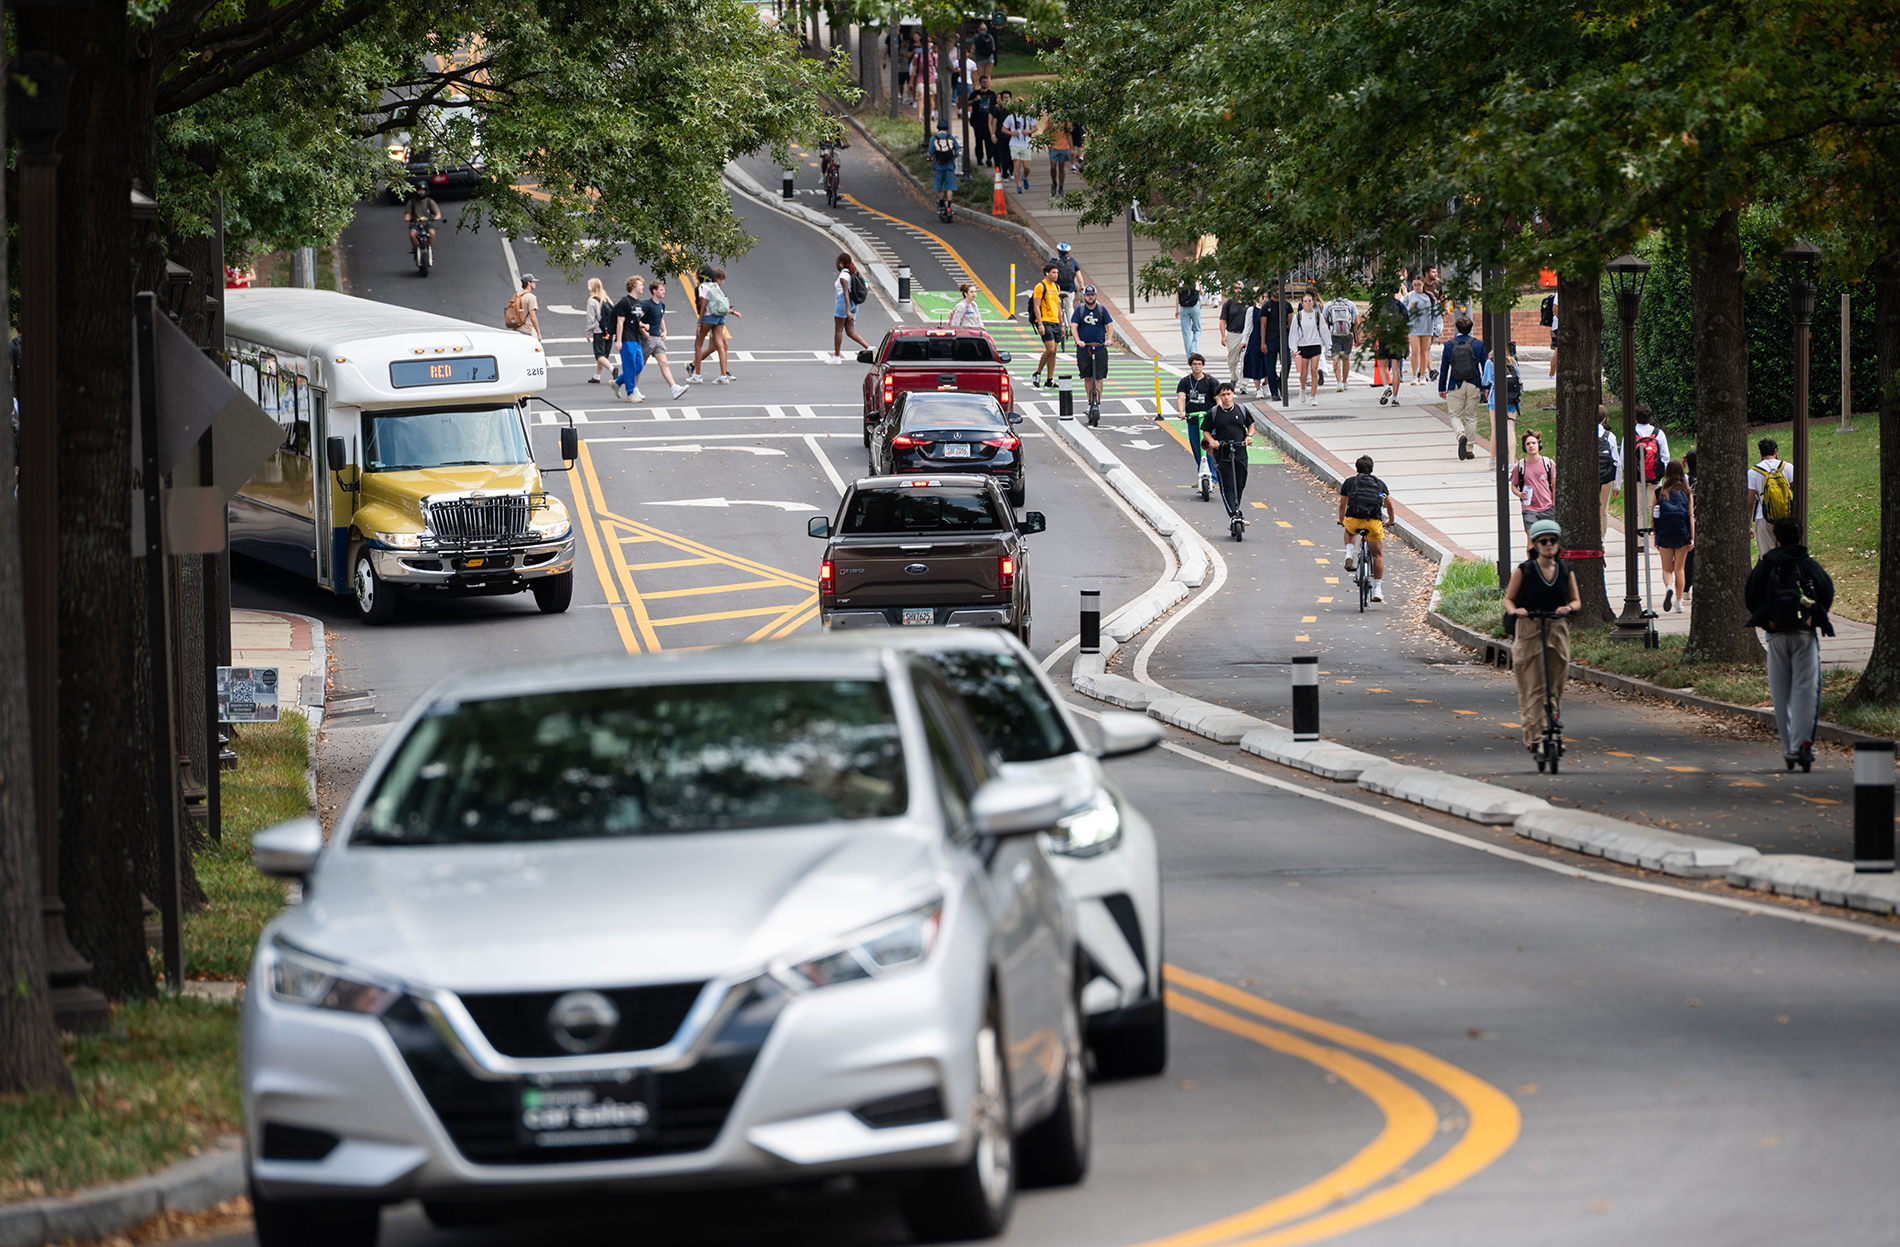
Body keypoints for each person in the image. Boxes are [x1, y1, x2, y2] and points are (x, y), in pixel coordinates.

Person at [1745, 519, 1836, 771]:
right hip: (1804, 635)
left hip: (1775, 637)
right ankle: (1803, 744)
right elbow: (1826, 591)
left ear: (1776, 538)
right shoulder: (1807, 564)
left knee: (1781, 693)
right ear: (1800, 537)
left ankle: (1789, 749)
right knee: (1805, 689)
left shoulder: (1766, 565)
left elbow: (1751, 596)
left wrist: (1768, 620)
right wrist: (1813, 617)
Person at [1504, 519, 1582, 760]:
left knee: (1556, 685)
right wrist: (1516, 611)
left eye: (1553, 541)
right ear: (1535, 545)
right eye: (1544, 541)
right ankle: (1535, 736)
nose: (1549, 545)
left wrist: (1568, 608)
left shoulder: (1566, 570)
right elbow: (1509, 599)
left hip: (1556, 629)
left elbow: (1576, 600)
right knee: (1534, 686)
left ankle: (1552, 728)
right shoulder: (1525, 570)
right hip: (1529, 630)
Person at [1337, 454, 1395, 603]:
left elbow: (1342, 505)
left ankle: (1349, 552)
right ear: (1372, 469)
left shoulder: (1349, 483)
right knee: (1377, 556)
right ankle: (1377, 589)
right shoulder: (1379, 484)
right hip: (1373, 523)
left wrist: (1341, 520)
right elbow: (1390, 506)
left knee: (1349, 530)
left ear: (1356, 469)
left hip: (1354, 521)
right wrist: (1391, 521)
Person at [1201, 381, 1255, 526]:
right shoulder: (1214, 413)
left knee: (1240, 482)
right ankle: (1235, 514)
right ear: (1219, 396)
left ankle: (1236, 508)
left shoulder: (1241, 410)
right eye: (1223, 395)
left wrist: (1249, 436)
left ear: (1233, 395)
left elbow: (1250, 425)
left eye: (1228, 394)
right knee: (1227, 485)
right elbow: (1205, 430)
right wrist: (1212, 441)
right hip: (1223, 453)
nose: (1226, 397)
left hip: (1240, 450)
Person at [1166, 351, 1221, 493]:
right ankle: (1201, 475)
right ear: (1190, 366)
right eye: (1194, 364)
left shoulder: (1210, 381)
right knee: (1197, 449)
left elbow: (1218, 399)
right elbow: (1181, 398)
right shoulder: (1185, 382)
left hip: (1209, 421)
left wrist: (1219, 411)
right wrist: (1181, 412)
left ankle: (1213, 478)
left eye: (1199, 364)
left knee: (1209, 449)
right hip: (1193, 420)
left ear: (1203, 365)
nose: (1197, 367)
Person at [1436, 315, 1489, 459]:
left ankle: (1460, 436)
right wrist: (1487, 387)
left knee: (1455, 415)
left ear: (1457, 328)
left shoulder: (1449, 345)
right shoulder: (1478, 344)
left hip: (1455, 384)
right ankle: (1469, 448)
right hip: (1473, 384)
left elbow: (1444, 369)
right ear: (1471, 328)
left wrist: (1442, 388)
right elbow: (1485, 367)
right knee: (1471, 417)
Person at [1070, 284, 1116, 424]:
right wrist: (1078, 341)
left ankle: (1098, 404)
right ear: (1084, 296)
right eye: (1088, 295)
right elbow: (1074, 326)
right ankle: (1090, 402)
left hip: (1100, 347)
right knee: (1088, 377)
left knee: (1099, 377)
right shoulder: (1080, 310)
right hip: (1085, 349)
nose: (1090, 297)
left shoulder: (1102, 310)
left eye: (1092, 295)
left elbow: (1110, 325)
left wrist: (1108, 340)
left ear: (1095, 296)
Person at [1652, 459, 1694, 613]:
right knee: (1680, 569)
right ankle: (1678, 602)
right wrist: (1692, 538)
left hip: (1664, 533)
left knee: (1667, 569)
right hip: (1682, 533)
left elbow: (1654, 513)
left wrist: (1655, 534)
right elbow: (1690, 516)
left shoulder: (1659, 491)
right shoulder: (1687, 492)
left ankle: (1668, 586)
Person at [638, 279, 689, 399]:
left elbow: (661, 319)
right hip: (647, 339)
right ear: (654, 291)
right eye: (661, 290)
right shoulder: (647, 304)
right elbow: (637, 319)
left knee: (664, 363)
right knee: (640, 365)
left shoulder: (661, 305)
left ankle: (674, 388)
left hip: (657, 339)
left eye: (663, 289)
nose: (664, 291)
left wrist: (665, 330)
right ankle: (630, 387)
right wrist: (644, 330)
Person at [1747, 436, 1796, 557]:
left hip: (1763, 516)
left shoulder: (1753, 472)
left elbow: (1749, 501)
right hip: (1786, 515)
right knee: (1787, 553)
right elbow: (1797, 492)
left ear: (1760, 453)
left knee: (1767, 557)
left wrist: (1748, 525)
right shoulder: (1788, 467)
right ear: (1775, 451)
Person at [690, 267, 740, 383]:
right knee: (720, 346)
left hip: (709, 316)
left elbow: (703, 306)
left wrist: (699, 322)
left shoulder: (703, 286)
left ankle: (697, 375)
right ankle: (723, 375)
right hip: (720, 317)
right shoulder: (715, 286)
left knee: (698, 344)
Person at [1629, 404, 1670, 527]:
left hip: (1636, 477)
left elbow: (1624, 458)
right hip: (1655, 477)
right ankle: (1657, 537)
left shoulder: (1631, 434)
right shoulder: (1659, 433)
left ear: (1635, 418)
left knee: (1639, 510)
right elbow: (1665, 457)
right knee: (1656, 509)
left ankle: (1641, 542)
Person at [611, 275, 649, 402]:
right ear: (633, 287)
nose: (642, 287)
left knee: (639, 365)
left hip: (636, 338)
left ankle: (618, 382)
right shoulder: (625, 302)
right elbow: (620, 322)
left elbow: (635, 320)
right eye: (640, 285)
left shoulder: (638, 303)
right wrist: (619, 340)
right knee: (629, 366)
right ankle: (630, 393)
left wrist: (643, 326)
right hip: (627, 338)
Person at [829, 253, 871, 363]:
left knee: (838, 330)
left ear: (842, 263)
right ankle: (869, 348)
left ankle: (837, 357)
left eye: (838, 262)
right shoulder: (852, 272)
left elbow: (845, 293)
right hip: (854, 304)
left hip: (844, 303)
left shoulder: (843, 277)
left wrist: (847, 310)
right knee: (850, 332)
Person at [1242, 288, 1282, 400]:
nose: (1265, 300)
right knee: (1256, 364)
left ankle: (1266, 384)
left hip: (1268, 339)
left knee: (1268, 365)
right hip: (1255, 340)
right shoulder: (1253, 310)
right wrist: (1244, 341)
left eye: (1267, 297)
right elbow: (1248, 327)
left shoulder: (1270, 309)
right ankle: (1258, 388)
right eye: (1262, 297)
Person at [1288, 291, 1326, 407]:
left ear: (1313, 302)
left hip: (1315, 344)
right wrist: (1294, 348)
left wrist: (1328, 347)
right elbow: (1293, 333)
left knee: (1314, 371)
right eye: (1305, 301)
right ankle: (1303, 388)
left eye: (1310, 301)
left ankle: (1313, 397)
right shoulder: (1298, 316)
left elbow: (1324, 332)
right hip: (1303, 346)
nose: (1308, 303)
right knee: (1303, 373)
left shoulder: (1318, 315)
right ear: (1302, 303)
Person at [1511, 430, 1556, 529]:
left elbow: (1555, 486)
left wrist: (1554, 505)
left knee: (1548, 538)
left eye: (1534, 443)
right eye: (1528, 444)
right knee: (1531, 536)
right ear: (1524, 447)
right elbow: (1514, 485)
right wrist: (1519, 494)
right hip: (1529, 508)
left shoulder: (1548, 463)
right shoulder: (1519, 466)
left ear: (1539, 445)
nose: (1531, 446)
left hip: (1548, 507)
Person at [1031, 263, 1064, 388]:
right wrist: (1040, 324)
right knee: (1050, 349)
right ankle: (1037, 373)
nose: (1056, 275)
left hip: (1055, 321)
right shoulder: (1040, 286)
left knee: (1054, 352)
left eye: (1057, 273)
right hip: (1045, 321)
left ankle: (1049, 380)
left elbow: (1058, 306)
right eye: (1053, 273)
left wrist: (1062, 324)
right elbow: (1036, 306)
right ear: (1047, 273)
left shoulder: (1056, 287)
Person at [1322, 289, 1357, 393]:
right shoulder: (1350, 304)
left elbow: (1324, 323)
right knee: (1346, 358)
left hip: (1334, 334)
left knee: (1336, 358)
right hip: (1348, 334)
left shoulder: (1328, 305)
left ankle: (1339, 382)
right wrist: (1357, 337)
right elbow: (1357, 321)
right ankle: (1345, 381)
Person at [1594, 406, 1622, 540]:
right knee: (1602, 510)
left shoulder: (1583, 435)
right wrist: (1617, 485)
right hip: (1605, 478)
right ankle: (1601, 537)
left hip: (1589, 479)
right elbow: (1617, 461)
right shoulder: (1609, 436)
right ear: (1604, 419)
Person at [1403, 275, 1433, 387]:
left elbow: (1435, 311)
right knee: (1415, 350)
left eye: (1419, 284)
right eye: (1414, 285)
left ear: (1423, 284)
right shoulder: (1409, 296)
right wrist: (1410, 309)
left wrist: (1436, 327)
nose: (1416, 287)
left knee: (1424, 351)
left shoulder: (1429, 296)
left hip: (1426, 326)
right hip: (1413, 326)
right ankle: (1415, 375)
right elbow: (1403, 309)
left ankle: (1423, 375)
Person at [1218, 281, 1250, 385]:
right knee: (1232, 361)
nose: (1238, 290)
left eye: (1240, 288)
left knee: (1245, 358)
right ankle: (1234, 378)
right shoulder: (1228, 304)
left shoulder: (1249, 303)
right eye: (1236, 288)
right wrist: (1223, 336)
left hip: (1246, 334)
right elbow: (1222, 321)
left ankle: (1243, 383)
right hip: (1233, 334)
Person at [586, 277, 616, 385]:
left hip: (599, 331)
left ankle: (612, 369)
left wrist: (589, 332)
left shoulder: (592, 301)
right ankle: (597, 376)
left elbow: (591, 319)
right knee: (604, 356)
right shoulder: (607, 300)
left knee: (599, 355)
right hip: (609, 332)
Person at [928, 120, 961, 217]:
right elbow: (958, 151)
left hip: (938, 167)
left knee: (939, 187)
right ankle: (949, 207)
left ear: (938, 128)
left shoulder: (933, 139)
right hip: (950, 166)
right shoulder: (951, 138)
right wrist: (953, 156)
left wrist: (930, 158)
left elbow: (930, 153)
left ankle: (942, 206)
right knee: (950, 187)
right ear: (947, 128)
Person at [1003, 102, 1034, 193]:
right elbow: (1003, 129)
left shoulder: (1028, 116)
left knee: (1027, 167)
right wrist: (1011, 133)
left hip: (1025, 144)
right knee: (1016, 164)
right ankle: (1018, 186)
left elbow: (1035, 127)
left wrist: (1029, 131)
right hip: (1014, 143)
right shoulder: (1010, 117)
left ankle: (1024, 177)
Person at [1048, 242, 1081, 325]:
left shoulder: (1053, 262)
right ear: (1068, 253)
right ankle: (1071, 327)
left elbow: (1048, 277)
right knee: (1069, 307)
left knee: (1054, 307)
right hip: (1069, 290)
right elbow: (1080, 278)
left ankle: (1055, 324)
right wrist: (1081, 286)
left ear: (1058, 252)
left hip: (1056, 290)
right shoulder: (1073, 262)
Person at [404, 189, 443, 256]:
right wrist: (410, 219)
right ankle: (417, 249)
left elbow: (438, 214)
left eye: (423, 191)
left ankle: (430, 250)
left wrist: (434, 218)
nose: (421, 192)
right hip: (416, 224)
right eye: (419, 191)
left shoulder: (430, 202)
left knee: (432, 233)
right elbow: (407, 216)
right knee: (412, 234)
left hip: (427, 223)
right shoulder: (411, 202)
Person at [993, 89, 1019, 187]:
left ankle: (1011, 171)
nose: (1006, 99)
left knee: (1012, 155)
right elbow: (994, 123)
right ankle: (1004, 174)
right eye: (1004, 98)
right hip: (1001, 135)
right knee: (1003, 156)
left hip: (1012, 136)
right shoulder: (998, 110)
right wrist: (993, 135)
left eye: (1008, 98)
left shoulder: (1013, 110)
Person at [1176, 278, 1204, 361]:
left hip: (1183, 307)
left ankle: (1189, 357)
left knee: (1186, 333)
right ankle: (1194, 350)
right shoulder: (1196, 277)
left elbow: (1178, 294)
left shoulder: (1180, 278)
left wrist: (1176, 309)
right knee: (1197, 329)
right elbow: (1201, 291)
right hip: (1195, 305)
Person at [1046, 118, 1072, 196]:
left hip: (1063, 146)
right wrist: (1049, 125)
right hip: (1053, 146)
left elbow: (1069, 133)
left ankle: (1061, 187)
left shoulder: (1065, 119)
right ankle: (1054, 182)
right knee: (1053, 167)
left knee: (1061, 167)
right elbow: (1044, 132)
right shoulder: (1050, 119)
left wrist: (1071, 148)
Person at [512, 273, 542, 341]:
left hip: (515, 329)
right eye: (533, 281)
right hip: (525, 330)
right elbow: (533, 317)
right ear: (529, 283)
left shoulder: (516, 295)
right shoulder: (531, 297)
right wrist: (538, 333)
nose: (535, 283)